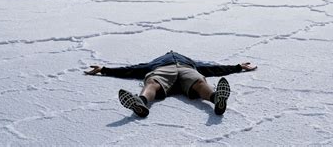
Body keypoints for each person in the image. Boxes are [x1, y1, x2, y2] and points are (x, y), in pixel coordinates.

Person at [84, 50, 257, 118]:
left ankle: (216, 98)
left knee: (198, 80)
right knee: (153, 81)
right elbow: (132, 69)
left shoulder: (191, 62)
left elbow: (212, 68)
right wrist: (104, 69)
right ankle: (140, 103)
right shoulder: (155, 63)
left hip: (185, 69)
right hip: (163, 69)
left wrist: (237, 67)